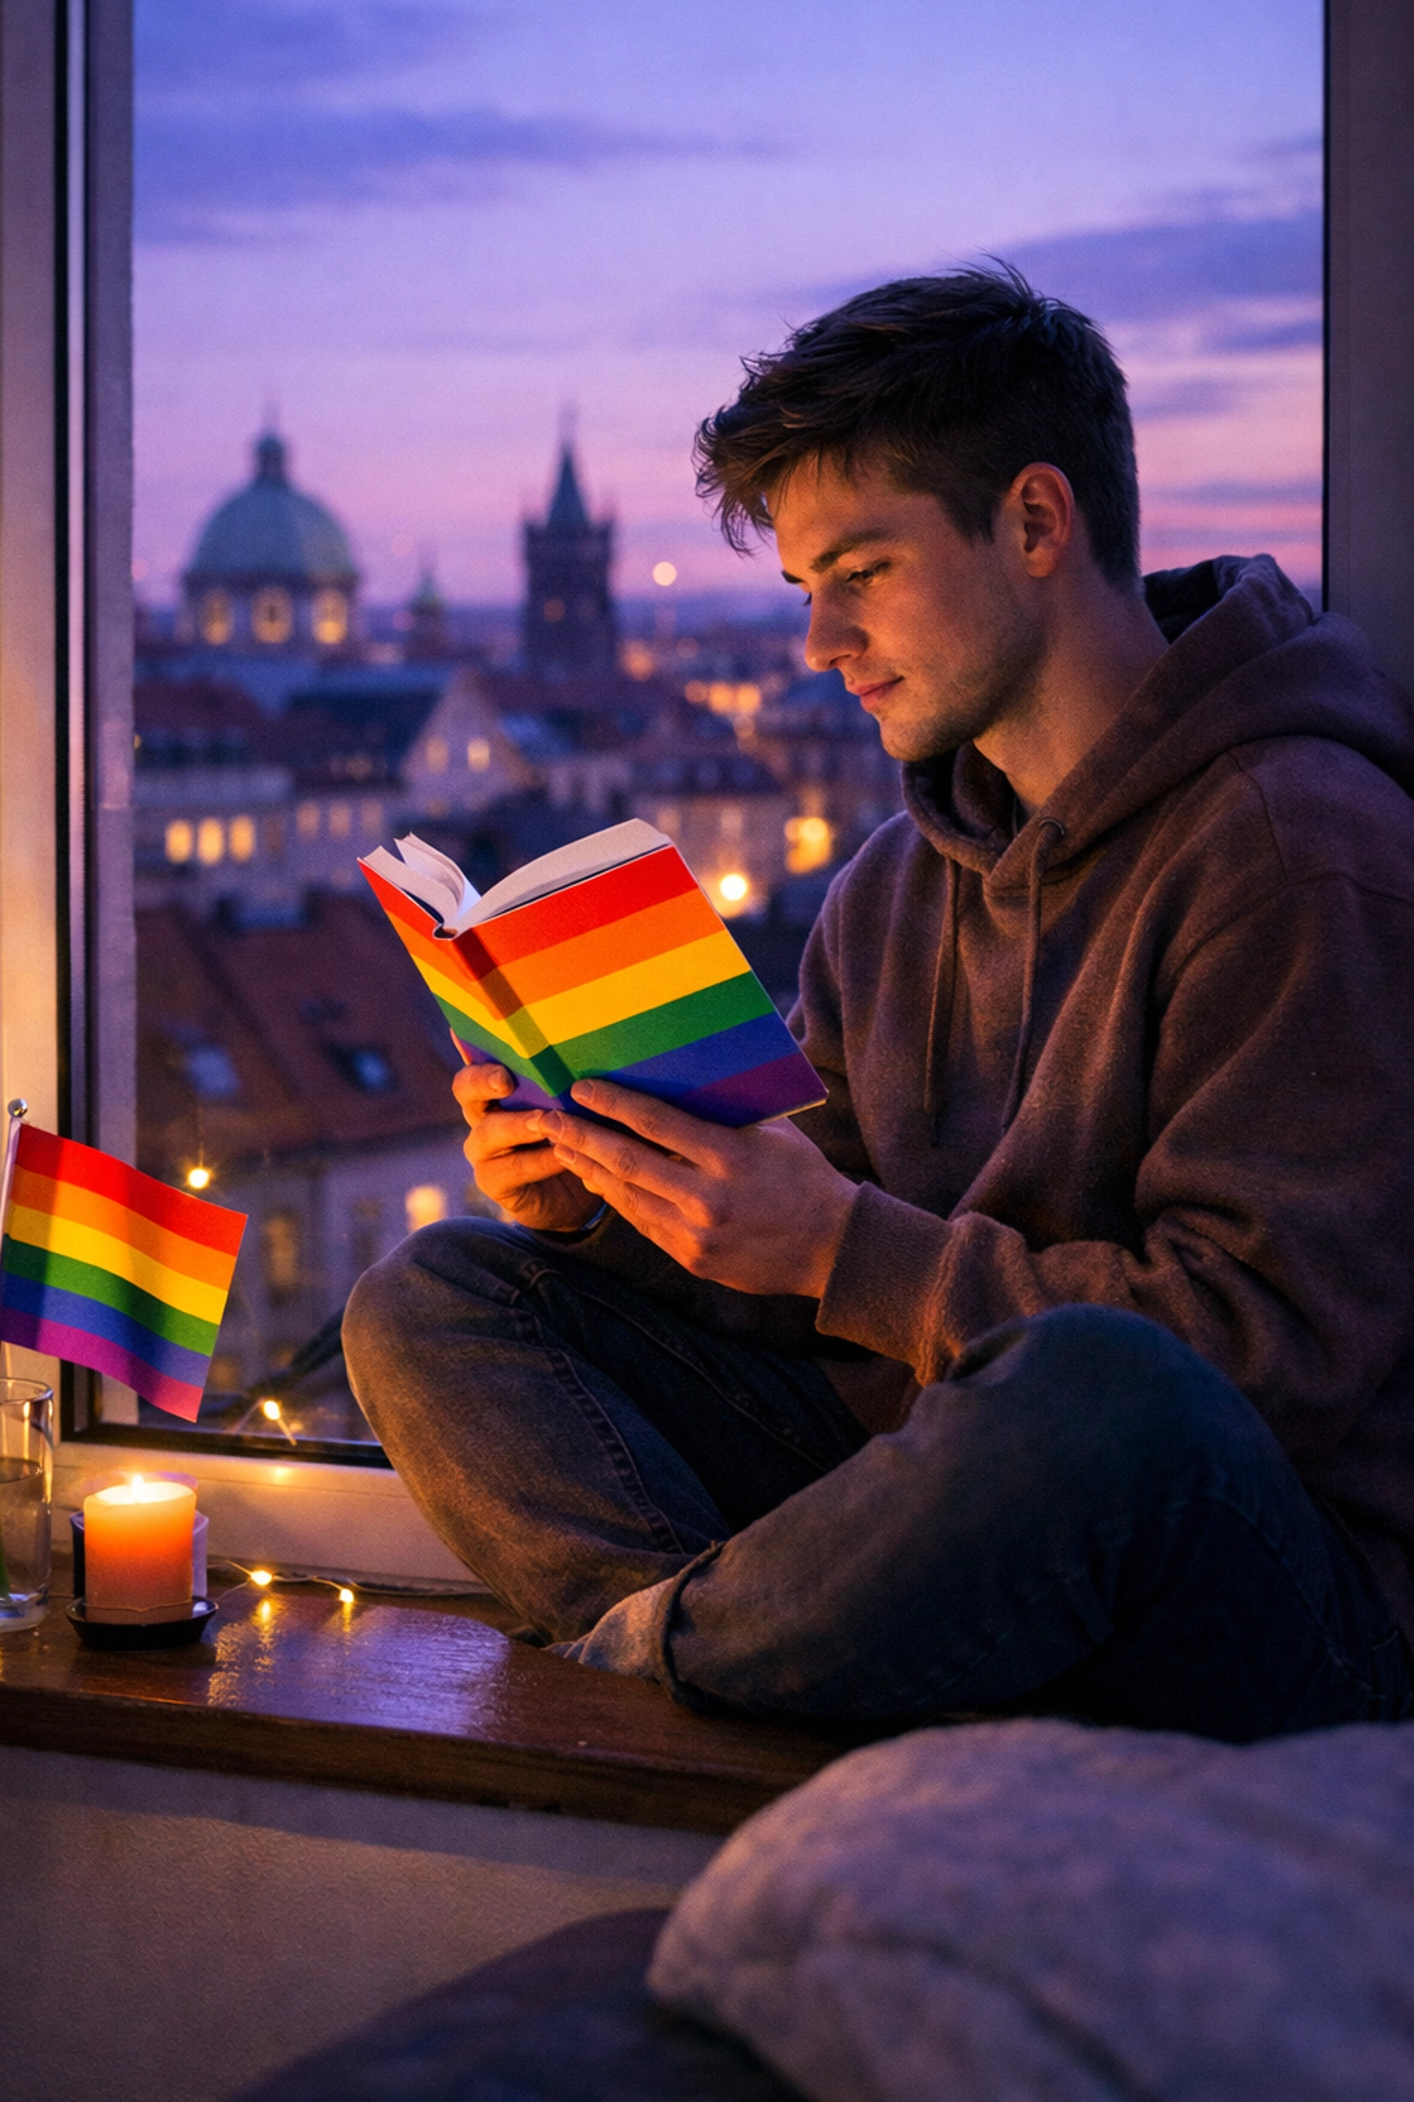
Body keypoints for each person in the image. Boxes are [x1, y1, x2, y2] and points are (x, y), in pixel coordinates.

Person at [344, 267, 1414, 1741]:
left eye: (862, 572)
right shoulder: (896, 884)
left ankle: (693, 1664)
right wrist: (612, 1198)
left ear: (1038, 523)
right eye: (802, 590)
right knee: (437, 1293)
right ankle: (730, 1657)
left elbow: (1260, 1369)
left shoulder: (1297, 846)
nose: (817, 645)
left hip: (1267, 1590)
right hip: (914, 1505)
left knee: (1101, 1389)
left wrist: (850, 1251)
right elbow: (794, 1277)